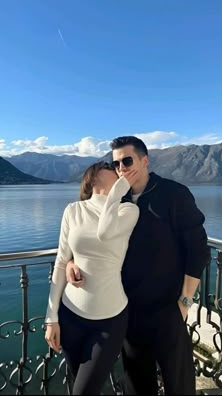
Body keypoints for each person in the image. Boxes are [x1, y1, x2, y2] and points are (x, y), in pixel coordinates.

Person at [66, 136, 210, 395]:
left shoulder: (173, 194)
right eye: (117, 164)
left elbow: (198, 249)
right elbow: (90, 240)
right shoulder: (116, 202)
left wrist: (185, 301)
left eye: (127, 160)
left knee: (178, 381)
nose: (122, 168)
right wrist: (72, 262)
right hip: (128, 309)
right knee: (137, 383)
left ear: (145, 161)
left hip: (168, 307)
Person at [44, 161, 139, 395]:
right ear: (93, 177)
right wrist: (51, 318)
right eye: (112, 169)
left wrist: (118, 190)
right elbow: (62, 260)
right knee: (82, 384)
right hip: (70, 317)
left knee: (84, 390)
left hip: (110, 319)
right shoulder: (73, 210)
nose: (118, 171)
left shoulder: (127, 210)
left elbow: (105, 233)